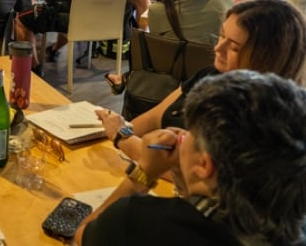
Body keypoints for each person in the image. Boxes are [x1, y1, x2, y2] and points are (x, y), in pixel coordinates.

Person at [77, 71, 306, 246]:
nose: (181, 136)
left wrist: (145, 173)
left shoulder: (142, 223)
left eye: (190, 133)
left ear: (205, 165)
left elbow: (83, 235)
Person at [97, 0, 306, 163]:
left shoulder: (263, 117)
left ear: (268, 58)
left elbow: (190, 172)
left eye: (233, 47)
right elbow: (154, 117)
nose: (218, 48)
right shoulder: (210, 75)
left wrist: (121, 138)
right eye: (221, 36)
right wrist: (116, 135)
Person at [104, 0, 233, 94]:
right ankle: (125, 77)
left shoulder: (156, 11)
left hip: (174, 75)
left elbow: (161, 49)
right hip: (214, 70)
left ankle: (126, 77)